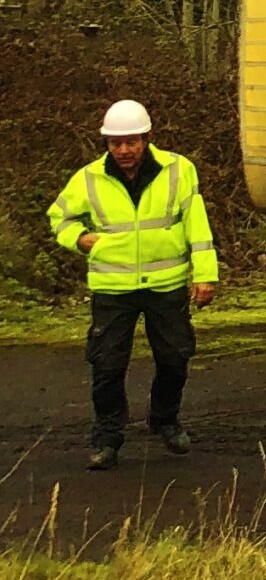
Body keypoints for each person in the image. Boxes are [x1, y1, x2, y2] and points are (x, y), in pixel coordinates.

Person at [45, 99, 219, 470]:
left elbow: (197, 227)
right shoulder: (88, 178)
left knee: (175, 358)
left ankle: (165, 419)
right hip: (113, 288)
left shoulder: (178, 170)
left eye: (131, 142)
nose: (124, 150)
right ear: (107, 143)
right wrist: (78, 238)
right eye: (115, 143)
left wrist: (205, 274)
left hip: (166, 283)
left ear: (145, 138)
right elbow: (59, 217)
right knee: (107, 365)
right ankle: (107, 439)